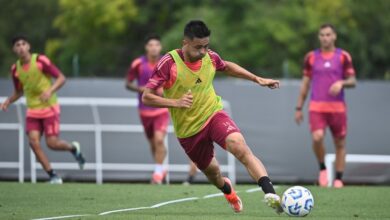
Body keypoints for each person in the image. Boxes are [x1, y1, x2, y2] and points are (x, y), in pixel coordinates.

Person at [143, 20, 282, 213]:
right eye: (198, 47)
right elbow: (147, 96)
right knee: (214, 173)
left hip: (213, 114)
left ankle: (270, 193)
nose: (203, 51)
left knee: (238, 145)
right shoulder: (169, 63)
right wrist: (176, 102)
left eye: (206, 46)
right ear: (185, 42)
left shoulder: (210, 57)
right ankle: (228, 190)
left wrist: (256, 79)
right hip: (188, 131)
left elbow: (227, 66)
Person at [0, 36, 86, 184]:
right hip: (32, 110)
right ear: (14, 50)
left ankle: (73, 148)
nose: (20, 47)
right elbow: (19, 91)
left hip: (49, 107)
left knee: (52, 143)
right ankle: (53, 176)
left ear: (28, 46)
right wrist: (8, 101)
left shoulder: (41, 61)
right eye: (17, 45)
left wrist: (50, 91)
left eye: (23, 44)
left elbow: (61, 78)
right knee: (33, 143)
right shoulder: (15, 70)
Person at [295, 24, 356, 188]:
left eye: (328, 34)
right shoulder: (311, 57)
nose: (325, 38)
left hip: (338, 108)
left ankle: (338, 179)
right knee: (317, 137)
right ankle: (322, 169)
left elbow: (352, 80)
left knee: (340, 143)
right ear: (319, 37)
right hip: (317, 107)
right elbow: (305, 84)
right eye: (322, 35)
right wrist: (299, 107)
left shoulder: (343, 56)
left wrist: (341, 83)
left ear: (334, 36)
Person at [125, 35, 170, 184]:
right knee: (153, 144)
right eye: (151, 45)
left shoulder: (167, 63)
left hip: (161, 109)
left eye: (157, 45)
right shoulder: (138, 63)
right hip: (144, 111)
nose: (154, 48)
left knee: (158, 140)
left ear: (160, 47)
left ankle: (157, 173)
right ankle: (160, 167)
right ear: (146, 47)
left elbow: (174, 82)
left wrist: (163, 91)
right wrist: (140, 89)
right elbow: (127, 83)